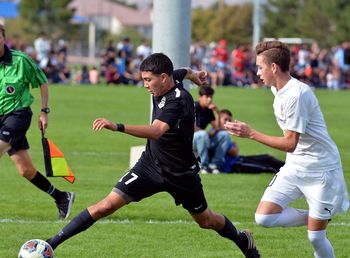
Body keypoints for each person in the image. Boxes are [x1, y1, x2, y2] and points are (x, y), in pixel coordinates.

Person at [45, 53, 260, 258]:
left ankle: (242, 239)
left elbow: (156, 131)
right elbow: (181, 72)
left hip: (181, 173)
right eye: (143, 79)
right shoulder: (168, 79)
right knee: (105, 205)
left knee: (206, 220)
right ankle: (50, 245)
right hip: (150, 165)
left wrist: (117, 126)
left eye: (148, 80)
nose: (145, 85)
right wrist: (193, 73)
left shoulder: (179, 100)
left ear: (163, 78)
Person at [224, 40, 349, 258]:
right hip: (294, 167)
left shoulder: (297, 94)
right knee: (264, 217)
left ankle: (319, 218)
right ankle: (318, 216)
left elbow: (290, 143)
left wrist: (251, 133)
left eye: (260, 67)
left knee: (316, 237)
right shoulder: (276, 88)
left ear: (273, 67)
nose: (257, 72)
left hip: (321, 170)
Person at [0, 24, 75, 220]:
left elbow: (42, 81)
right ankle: (62, 197)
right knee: (25, 170)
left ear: (4, 38)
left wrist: (44, 111)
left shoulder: (21, 60)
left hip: (18, 115)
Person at [213, 109, 284, 174]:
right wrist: (234, 144)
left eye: (229, 120)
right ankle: (288, 173)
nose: (227, 122)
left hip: (238, 159)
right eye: (225, 120)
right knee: (268, 168)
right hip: (233, 165)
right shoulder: (218, 134)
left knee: (268, 158)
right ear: (218, 120)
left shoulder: (224, 133)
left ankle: (290, 166)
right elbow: (234, 152)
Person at [193, 86, 227, 174]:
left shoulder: (208, 110)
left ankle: (214, 165)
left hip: (202, 137)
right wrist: (207, 134)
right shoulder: (193, 107)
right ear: (200, 97)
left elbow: (217, 128)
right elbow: (191, 127)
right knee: (202, 134)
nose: (209, 99)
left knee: (224, 135)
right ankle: (203, 166)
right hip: (189, 140)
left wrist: (217, 112)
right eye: (207, 97)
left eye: (211, 97)